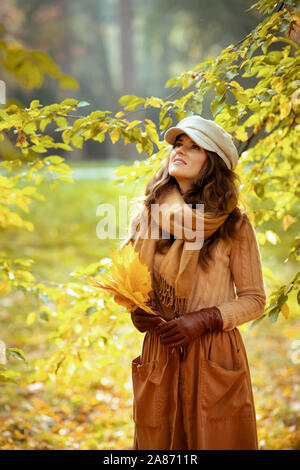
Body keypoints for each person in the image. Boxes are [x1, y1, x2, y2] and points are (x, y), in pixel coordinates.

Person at [122, 115, 266, 450]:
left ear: (212, 163)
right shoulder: (145, 216)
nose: (180, 151)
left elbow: (254, 298)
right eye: (178, 144)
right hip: (162, 351)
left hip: (214, 355)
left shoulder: (234, 225)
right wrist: (138, 312)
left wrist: (204, 320)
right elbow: (133, 287)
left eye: (195, 146)